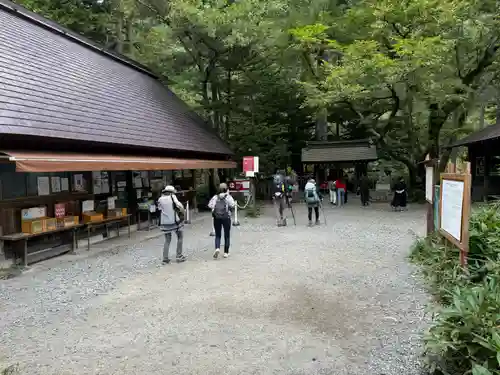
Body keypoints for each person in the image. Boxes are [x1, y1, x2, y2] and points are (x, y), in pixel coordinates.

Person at [157, 185, 186, 264]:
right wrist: (183, 213)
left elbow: (159, 209)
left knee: (167, 240)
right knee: (180, 236)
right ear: (171, 192)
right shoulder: (173, 197)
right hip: (174, 221)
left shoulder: (160, 199)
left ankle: (165, 259)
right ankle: (179, 256)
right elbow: (179, 206)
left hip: (164, 222)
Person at [208, 183, 236, 259]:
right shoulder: (228, 197)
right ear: (226, 189)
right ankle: (226, 252)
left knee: (217, 234)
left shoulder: (215, 197)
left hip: (217, 217)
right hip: (226, 217)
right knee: (227, 235)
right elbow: (233, 205)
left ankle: (217, 248)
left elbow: (210, 205)